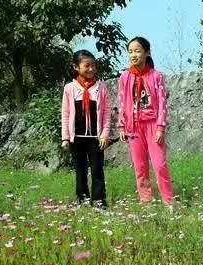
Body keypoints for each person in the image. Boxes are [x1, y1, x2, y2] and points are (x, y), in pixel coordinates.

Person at [117, 36, 174, 205]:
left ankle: (169, 201)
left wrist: (160, 128)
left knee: (159, 165)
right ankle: (146, 201)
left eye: (137, 51)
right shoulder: (125, 77)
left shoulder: (156, 76)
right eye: (130, 52)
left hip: (153, 125)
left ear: (147, 53)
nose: (133, 55)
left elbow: (162, 103)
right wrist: (121, 126)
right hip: (133, 127)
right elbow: (121, 102)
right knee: (140, 167)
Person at [61, 49, 111, 208]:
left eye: (93, 65)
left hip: (96, 138)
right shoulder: (69, 88)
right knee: (80, 170)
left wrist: (105, 133)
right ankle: (82, 198)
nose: (91, 69)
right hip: (77, 138)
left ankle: (99, 200)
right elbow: (66, 114)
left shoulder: (101, 87)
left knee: (97, 169)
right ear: (76, 67)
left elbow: (107, 112)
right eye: (87, 66)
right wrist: (65, 137)